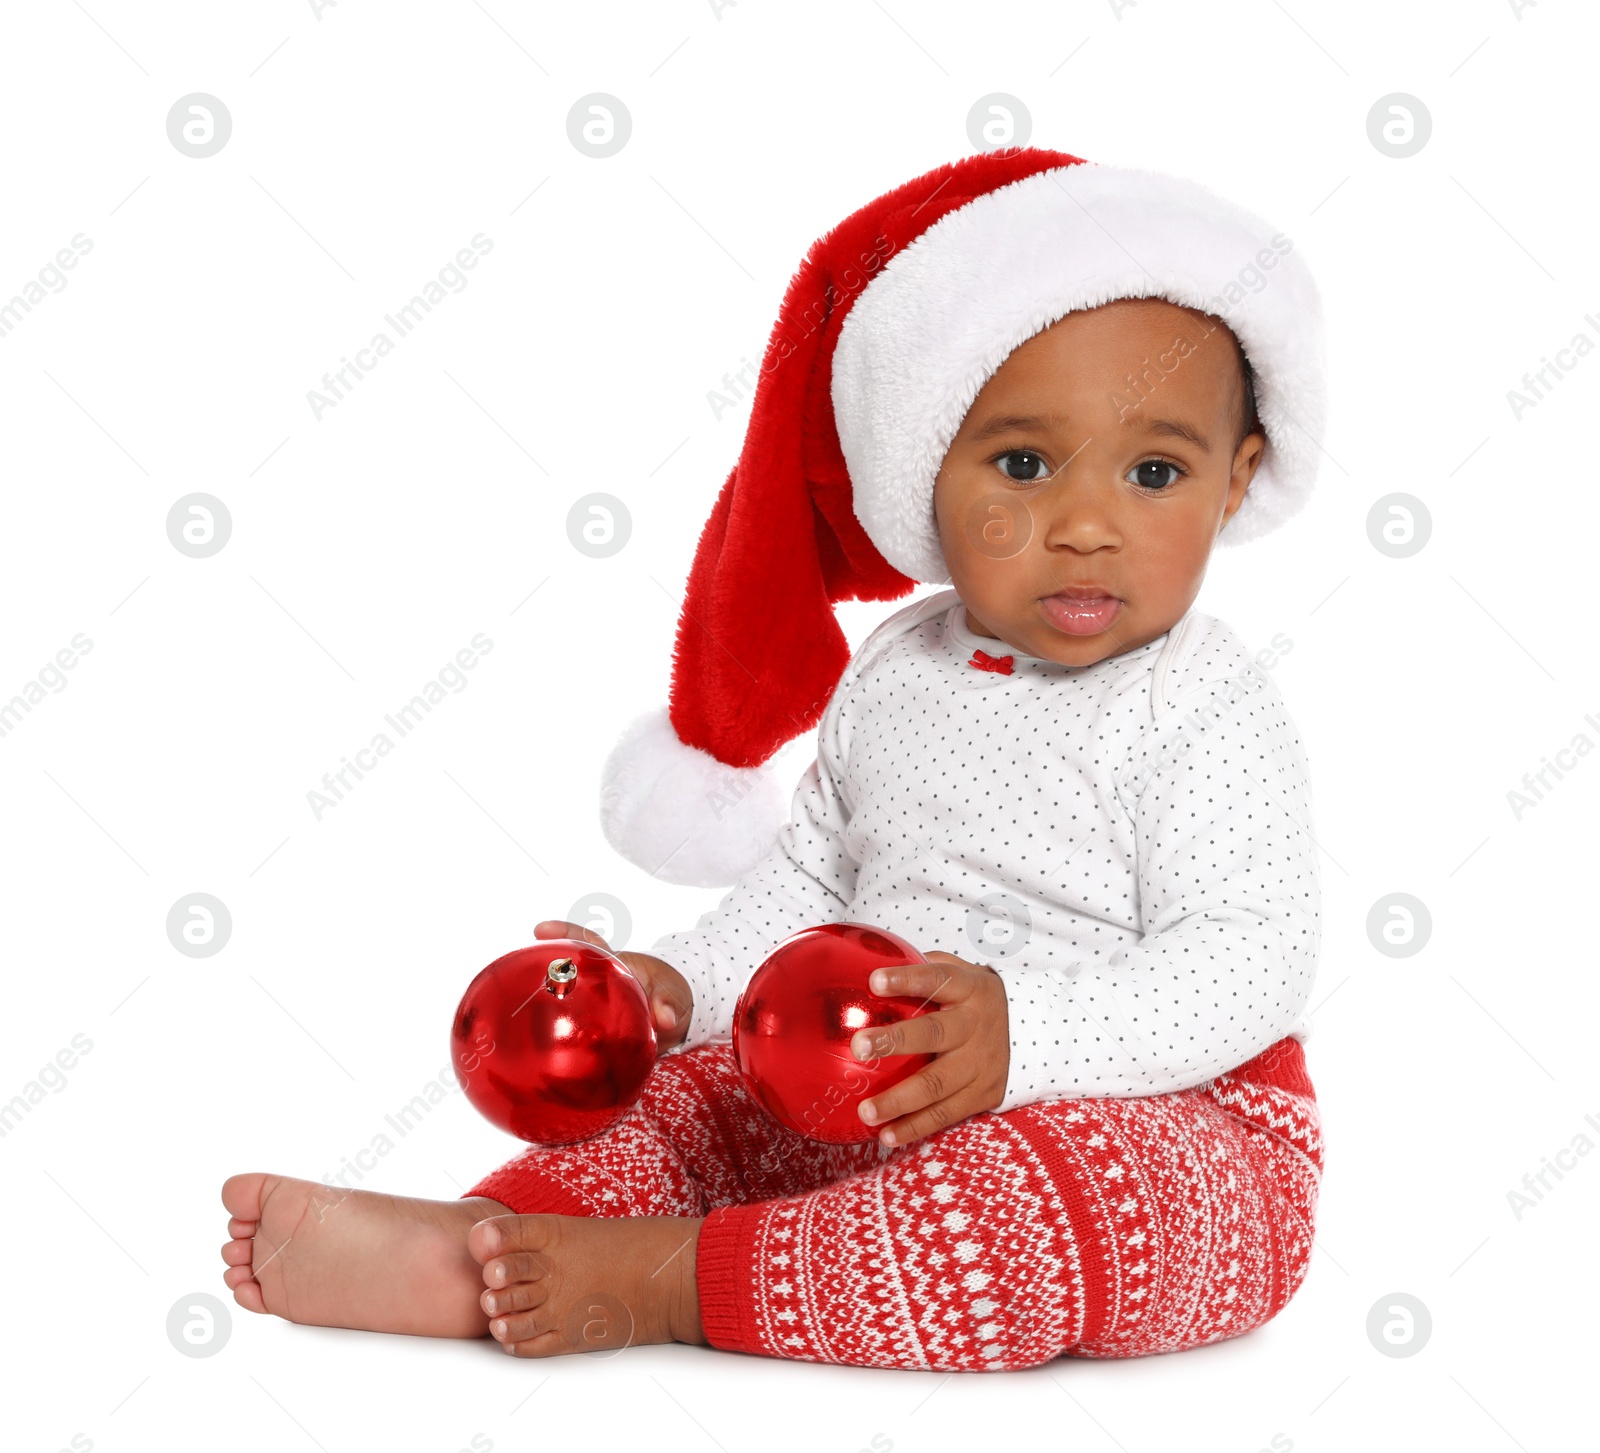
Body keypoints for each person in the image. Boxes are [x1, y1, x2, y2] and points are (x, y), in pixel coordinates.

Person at [220, 145, 1329, 1371]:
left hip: (1168, 1120)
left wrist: (1027, 1040)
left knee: (1031, 1206)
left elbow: (1249, 956)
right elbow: (807, 891)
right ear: (922, 474)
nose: (1080, 523)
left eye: (1154, 472)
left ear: (1237, 482)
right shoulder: (899, 674)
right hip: (853, 1089)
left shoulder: (1200, 702)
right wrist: (681, 990)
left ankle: (672, 1281)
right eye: (1020, 464)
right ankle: (487, 1243)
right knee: (682, 1109)